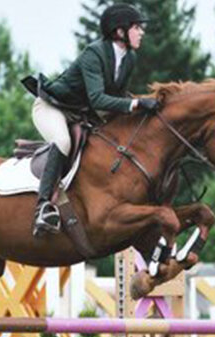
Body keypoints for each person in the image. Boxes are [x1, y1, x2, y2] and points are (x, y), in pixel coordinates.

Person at [26, 3, 160, 237]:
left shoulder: (129, 58)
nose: (142, 32)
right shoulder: (94, 53)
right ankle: (43, 207)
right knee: (62, 141)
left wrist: (141, 109)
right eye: (137, 27)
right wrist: (137, 104)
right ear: (120, 31)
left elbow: (117, 97)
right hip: (52, 107)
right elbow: (98, 98)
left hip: (81, 113)